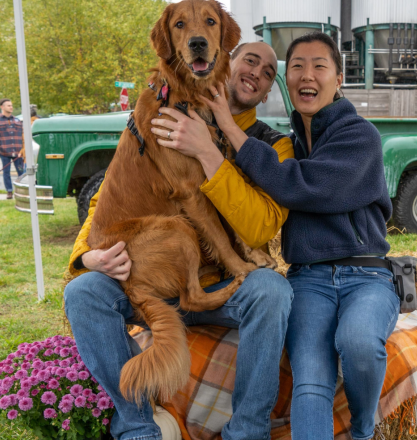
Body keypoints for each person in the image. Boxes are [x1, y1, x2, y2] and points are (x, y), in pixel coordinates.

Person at [165, 32, 396, 440]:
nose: (308, 74)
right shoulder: (288, 144)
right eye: (298, 68)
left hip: (367, 275)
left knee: (358, 341)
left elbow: (301, 185)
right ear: (287, 85)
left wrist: (229, 132)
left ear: (339, 79)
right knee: (310, 383)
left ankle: (363, 429)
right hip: (309, 278)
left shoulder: (360, 137)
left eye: (319, 66)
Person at [64, 41, 295, 440]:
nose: (257, 72)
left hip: (223, 284)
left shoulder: (275, 144)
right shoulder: (162, 113)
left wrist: (209, 151)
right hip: (154, 274)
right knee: (83, 292)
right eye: (250, 60)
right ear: (226, 61)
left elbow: (262, 227)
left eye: (269, 72)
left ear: (268, 89)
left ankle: (247, 431)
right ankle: (137, 427)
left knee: (273, 290)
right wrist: (87, 256)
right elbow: (114, 194)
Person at [0, 98, 25, 199]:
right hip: (4, 151)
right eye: (8, 105)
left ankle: (21, 190)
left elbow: (22, 134)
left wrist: (23, 149)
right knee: (6, 172)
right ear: (2, 107)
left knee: (21, 172)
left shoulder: (17, 120)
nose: (11, 107)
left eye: (11, 105)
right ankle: (9, 191)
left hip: (18, 151)